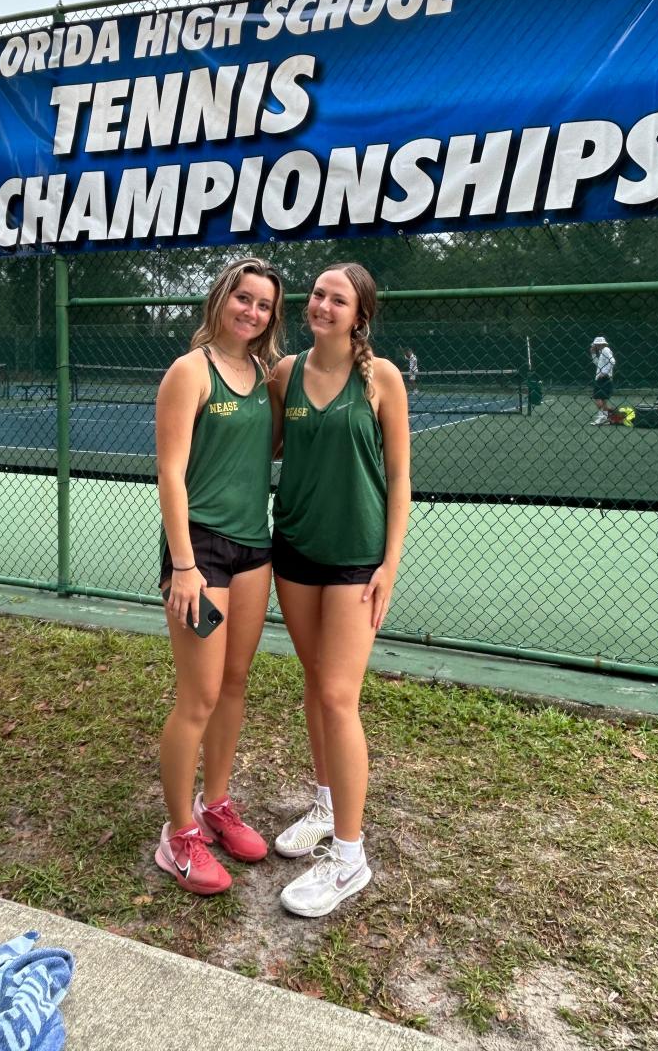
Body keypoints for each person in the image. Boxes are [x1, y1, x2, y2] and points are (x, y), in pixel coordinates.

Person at [270, 262, 411, 917]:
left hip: (356, 561)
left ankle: (350, 859)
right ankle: (326, 808)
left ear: (360, 315)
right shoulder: (284, 374)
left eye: (338, 298)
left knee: (337, 693)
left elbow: (401, 479)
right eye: (318, 294)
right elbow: (260, 444)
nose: (322, 303)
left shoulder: (381, 379)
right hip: (294, 552)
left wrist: (389, 563)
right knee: (312, 679)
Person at [153, 257, 285, 896]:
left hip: (254, 550)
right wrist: (182, 565)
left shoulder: (264, 376)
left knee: (234, 684)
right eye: (244, 298)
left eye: (263, 305)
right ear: (221, 300)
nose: (252, 312)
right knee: (198, 696)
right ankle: (177, 833)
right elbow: (171, 473)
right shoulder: (190, 370)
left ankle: (216, 803)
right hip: (200, 551)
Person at [590, 336, 616, 425]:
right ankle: (607, 417)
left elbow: (612, 361)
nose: (594, 347)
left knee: (597, 397)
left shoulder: (605, 350)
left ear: (598, 344)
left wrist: (604, 373)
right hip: (604, 378)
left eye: (595, 345)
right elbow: (598, 364)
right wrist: (593, 354)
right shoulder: (603, 351)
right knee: (603, 400)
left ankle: (602, 417)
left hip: (603, 378)